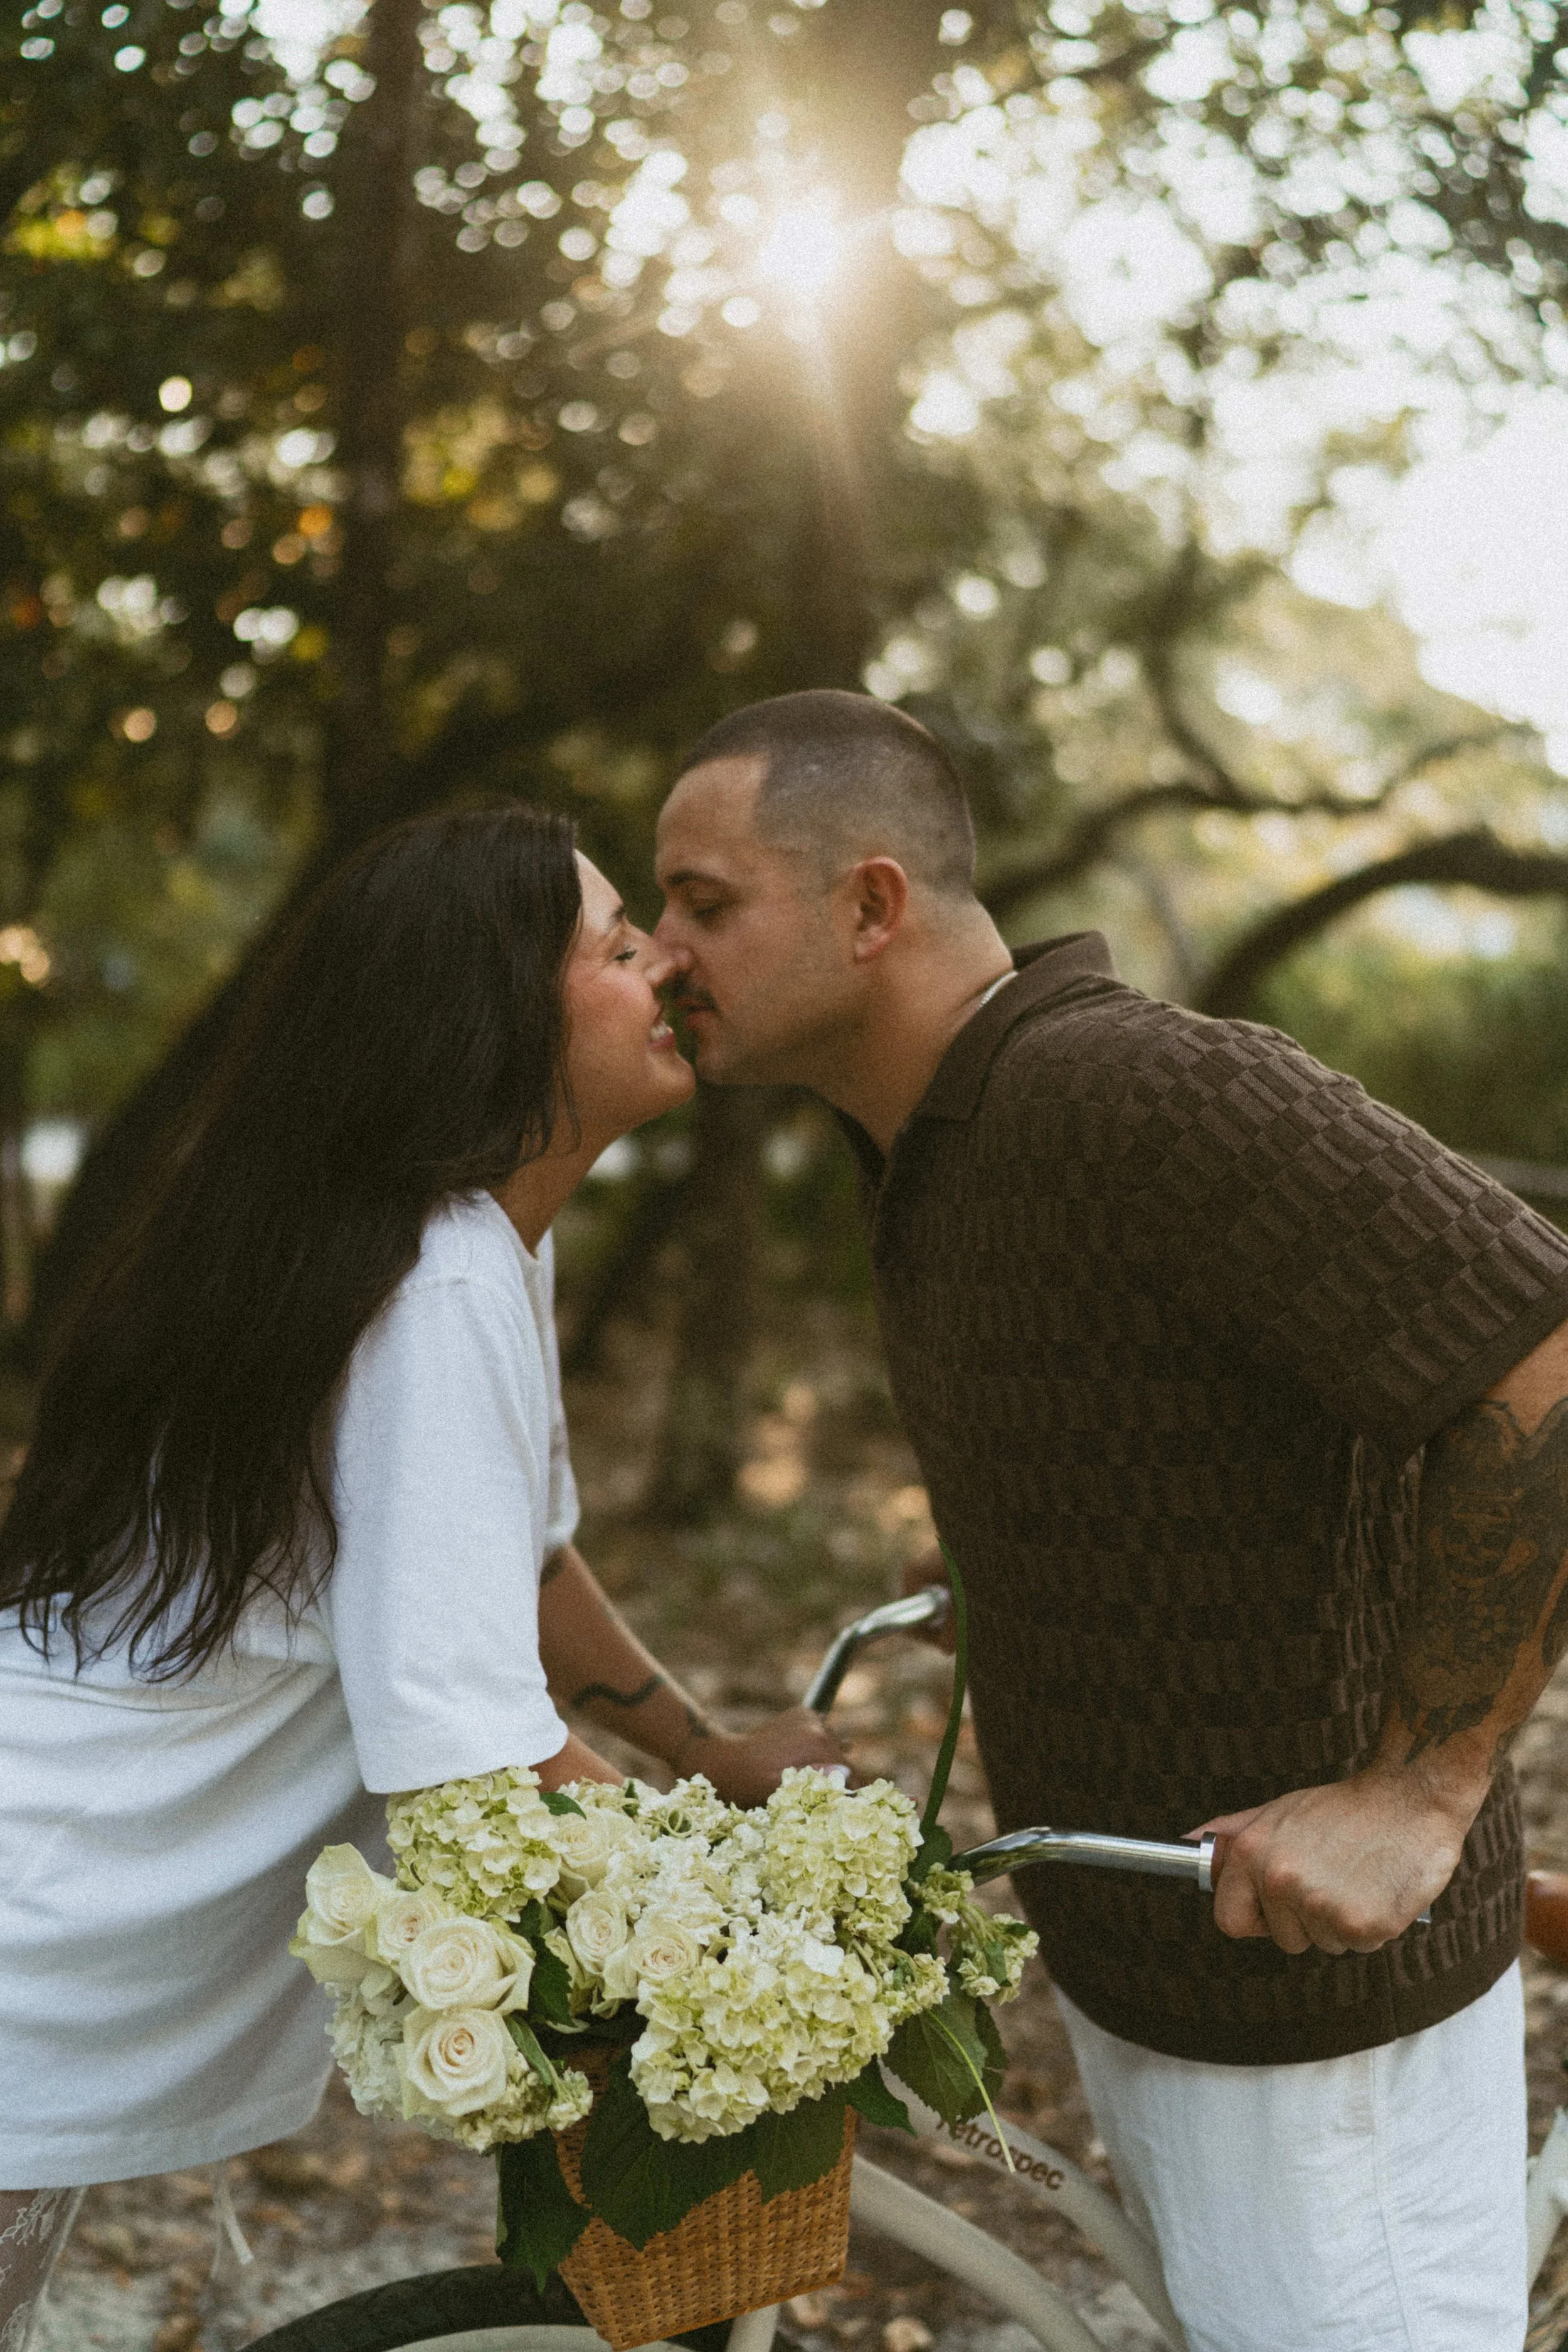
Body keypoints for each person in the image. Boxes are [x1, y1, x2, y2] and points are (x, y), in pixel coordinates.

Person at [652, 688, 1568, 2352]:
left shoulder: (1133, 1089)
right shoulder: (933, 1138)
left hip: (1311, 2016)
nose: (659, 950)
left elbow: (1540, 1357)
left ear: (872, 904)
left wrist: (1419, 1788)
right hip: (1145, 1957)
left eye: (701, 900)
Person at [0, 803, 842, 2349]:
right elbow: (470, 1748)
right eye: (610, 941)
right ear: (495, 1020)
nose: (657, 958)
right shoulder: (442, 1273)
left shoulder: (473, 1247)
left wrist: (698, 1757)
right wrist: (736, 1923)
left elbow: (512, 1570)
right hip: (38, 1918)